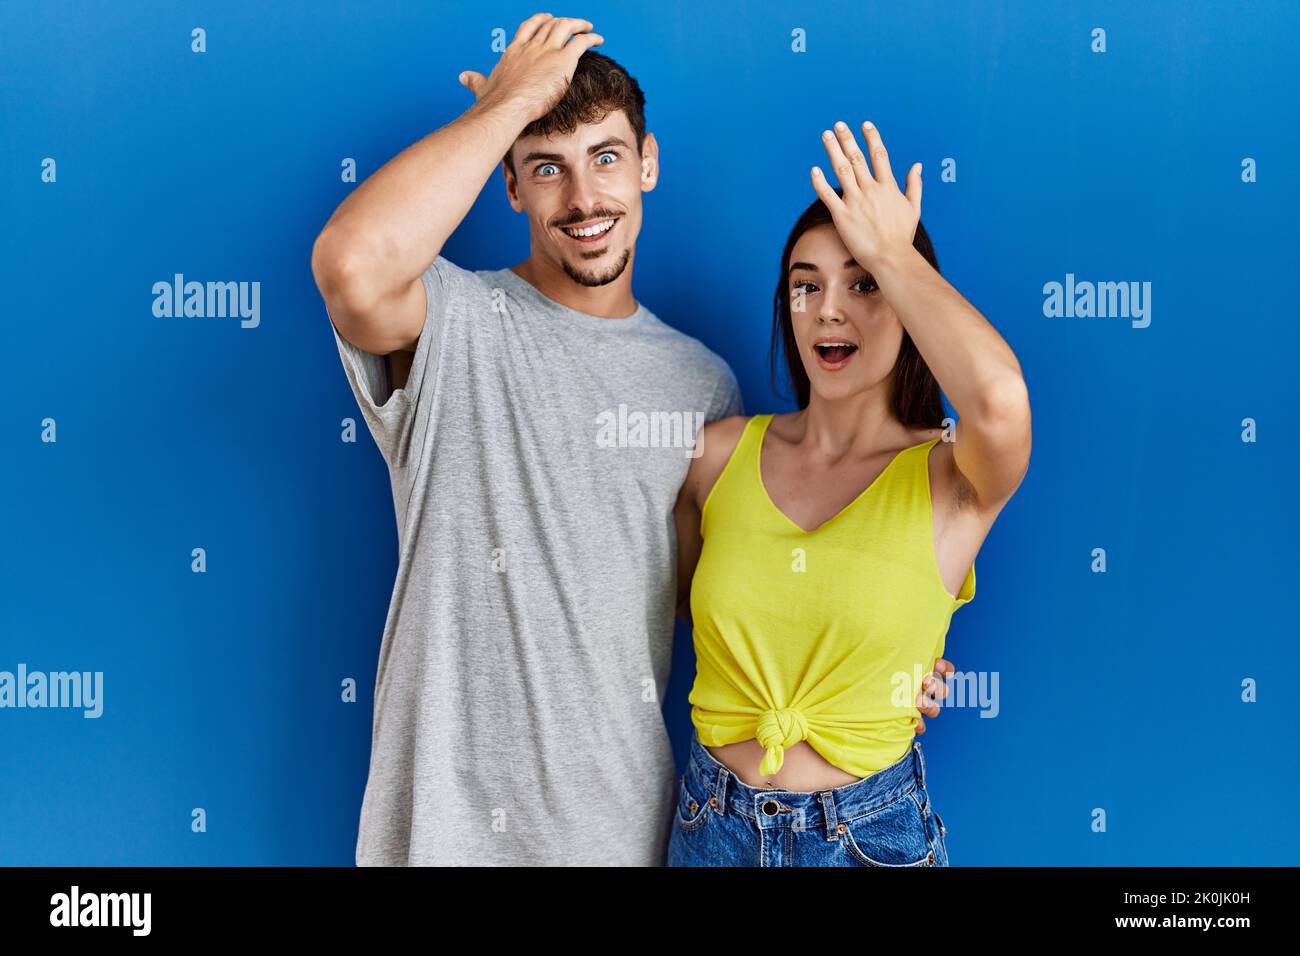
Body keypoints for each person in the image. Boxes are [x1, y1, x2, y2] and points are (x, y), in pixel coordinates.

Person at [310, 15, 746, 865]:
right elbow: (350, 265)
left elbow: (728, 609)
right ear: (509, 186)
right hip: (440, 836)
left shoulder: (704, 387)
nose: (584, 200)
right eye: (547, 168)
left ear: (647, 164)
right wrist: (508, 105)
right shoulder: (451, 319)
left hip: (615, 833)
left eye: (607, 158)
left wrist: (886, 657)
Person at [668, 121, 1032, 866]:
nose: (829, 309)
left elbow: (999, 399)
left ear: (907, 299)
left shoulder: (952, 475)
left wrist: (894, 252)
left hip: (866, 838)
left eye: (863, 282)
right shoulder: (715, 455)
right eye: (807, 286)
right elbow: (688, 607)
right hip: (709, 825)